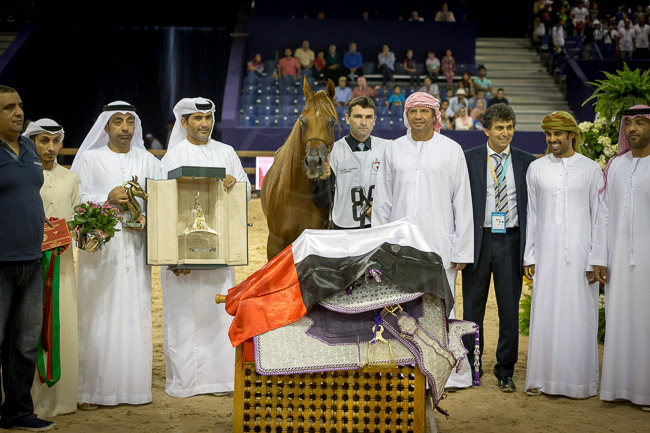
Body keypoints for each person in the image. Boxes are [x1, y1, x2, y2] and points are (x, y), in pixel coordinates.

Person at [373, 92, 474, 389]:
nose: (418, 116)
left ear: (435, 115)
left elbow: (462, 202)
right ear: (406, 115)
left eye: (424, 111)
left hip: (440, 245)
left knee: (442, 308)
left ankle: (449, 373)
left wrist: (462, 249)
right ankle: (406, 369)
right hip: (399, 248)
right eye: (413, 111)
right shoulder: (393, 150)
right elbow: (382, 202)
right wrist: (379, 248)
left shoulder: (452, 149)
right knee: (401, 308)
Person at [71, 101, 162, 409]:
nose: (125, 128)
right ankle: (93, 392)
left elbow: (162, 199)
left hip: (135, 252)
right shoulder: (89, 159)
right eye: (118, 122)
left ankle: (135, 390)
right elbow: (77, 201)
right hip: (100, 252)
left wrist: (148, 217)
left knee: (135, 315)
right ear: (106, 127)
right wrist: (106, 199)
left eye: (129, 121)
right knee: (98, 317)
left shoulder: (148, 160)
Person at [161, 97, 250, 398]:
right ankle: (187, 382)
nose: (204, 124)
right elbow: (162, 206)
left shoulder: (227, 152)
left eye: (208, 117)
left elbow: (246, 192)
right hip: (183, 257)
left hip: (219, 251)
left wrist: (234, 183)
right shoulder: (172, 159)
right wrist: (172, 257)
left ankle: (221, 381)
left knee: (219, 313)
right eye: (197, 118)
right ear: (184, 122)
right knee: (185, 317)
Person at [523, 111, 602, 399]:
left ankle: (579, 382)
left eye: (557, 133)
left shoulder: (591, 169)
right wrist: (530, 256)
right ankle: (542, 378)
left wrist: (596, 258)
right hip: (546, 255)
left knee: (579, 315)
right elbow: (532, 214)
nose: (552, 139)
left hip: (582, 256)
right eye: (548, 134)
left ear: (571, 135)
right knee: (546, 313)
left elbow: (599, 217)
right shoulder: (536, 168)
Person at [462, 103, 536, 392]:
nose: (505, 133)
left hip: (511, 241)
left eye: (509, 127)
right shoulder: (469, 159)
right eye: (499, 128)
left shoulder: (527, 162)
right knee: (472, 310)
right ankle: (471, 365)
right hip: (478, 241)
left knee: (508, 310)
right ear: (486, 130)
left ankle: (506, 369)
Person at [0, 86, 54, 431]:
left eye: (19, 105)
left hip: (32, 260)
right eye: (8, 107)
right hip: (0, 262)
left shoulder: (30, 149)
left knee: (24, 343)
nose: (18, 112)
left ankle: (17, 412)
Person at [590, 105, 650, 411]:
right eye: (629, 124)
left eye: (640, 123)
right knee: (620, 320)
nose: (633, 129)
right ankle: (618, 388)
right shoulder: (615, 166)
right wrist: (599, 257)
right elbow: (603, 214)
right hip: (617, 261)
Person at [24, 119, 80, 417]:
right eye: (43, 140)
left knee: (62, 323)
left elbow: (77, 220)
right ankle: (25, 400)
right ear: (31, 142)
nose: (51, 147)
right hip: (26, 263)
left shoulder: (71, 178)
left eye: (55, 141)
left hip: (63, 266)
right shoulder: (21, 174)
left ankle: (62, 400)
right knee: (27, 327)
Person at [312, 96, 390, 229]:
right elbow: (320, 201)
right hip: (343, 228)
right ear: (348, 119)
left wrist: (380, 207)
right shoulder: (332, 152)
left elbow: (397, 190)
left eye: (368, 117)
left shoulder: (388, 148)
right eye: (358, 116)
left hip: (379, 226)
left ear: (374, 120)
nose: (364, 122)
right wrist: (322, 180)